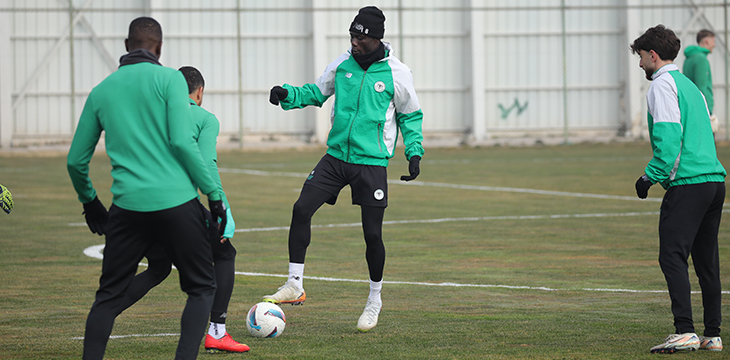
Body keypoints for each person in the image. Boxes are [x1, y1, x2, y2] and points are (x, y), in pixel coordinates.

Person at [67, 17, 226, 360]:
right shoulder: (170, 79)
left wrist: (90, 203)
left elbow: (75, 161)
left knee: (107, 298)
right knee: (201, 287)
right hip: (177, 204)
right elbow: (183, 143)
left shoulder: (102, 90)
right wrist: (213, 195)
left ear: (126, 46)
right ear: (160, 48)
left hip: (127, 208)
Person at [264, 5, 424, 333]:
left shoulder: (397, 73)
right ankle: (295, 284)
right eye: (352, 35)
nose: (354, 42)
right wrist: (287, 95)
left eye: (360, 37)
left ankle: (374, 299)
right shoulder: (341, 65)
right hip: (336, 158)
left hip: (371, 164)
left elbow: (410, 115)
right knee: (301, 208)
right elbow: (316, 92)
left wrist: (414, 152)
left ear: (376, 38)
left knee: (372, 234)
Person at [114, 66, 249, 353]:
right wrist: (222, 209)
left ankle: (104, 311)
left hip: (139, 204)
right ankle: (217, 331)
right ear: (200, 92)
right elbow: (206, 165)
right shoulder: (204, 118)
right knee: (224, 254)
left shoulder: (155, 117)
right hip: (177, 206)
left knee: (159, 267)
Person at [630, 24, 726, 354]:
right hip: (714, 181)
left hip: (689, 183)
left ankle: (684, 330)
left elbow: (669, 140)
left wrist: (648, 177)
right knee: (706, 261)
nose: (640, 64)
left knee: (671, 255)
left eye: (641, 57)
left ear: (653, 55)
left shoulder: (661, 85)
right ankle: (712, 334)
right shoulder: (690, 86)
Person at [683, 29, 718, 132]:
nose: (714, 45)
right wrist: (709, 113)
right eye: (713, 41)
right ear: (706, 41)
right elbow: (701, 88)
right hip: (702, 110)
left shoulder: (689, 59)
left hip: (691, 108)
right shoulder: (701, 59)